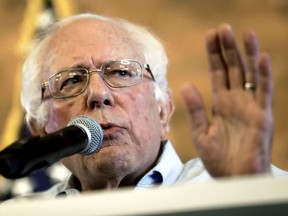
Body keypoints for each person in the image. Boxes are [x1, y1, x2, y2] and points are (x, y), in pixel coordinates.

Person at [15, 13, 287, 198]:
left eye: (120, 72)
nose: (98, 93)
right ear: (40, 129)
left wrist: (250, 193)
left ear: (162, 111)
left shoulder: (247, 185)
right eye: (71, 81)